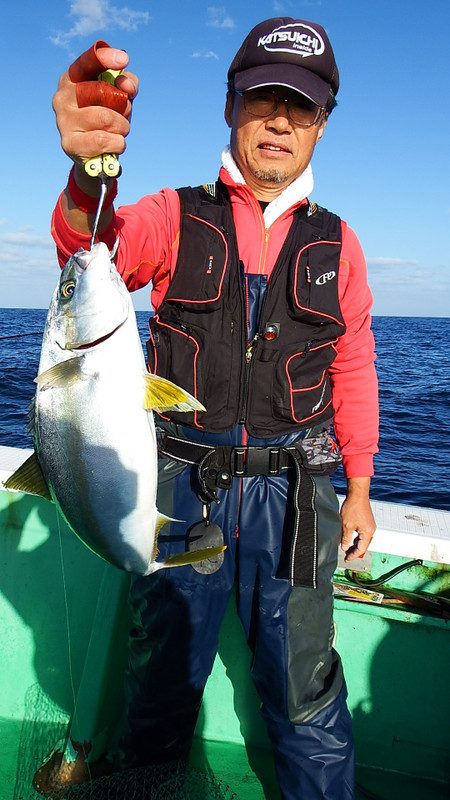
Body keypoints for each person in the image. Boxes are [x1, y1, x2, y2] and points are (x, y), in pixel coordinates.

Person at [51, 16, 378, 800]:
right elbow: (88, 253)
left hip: (296, 496)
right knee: (160, 681)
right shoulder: (173, 213)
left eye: (300, 107)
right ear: (231, 105)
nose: (278, 120)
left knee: (304, 692)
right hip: (179, 485)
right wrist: (90, 173)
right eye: (262, 98)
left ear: (322, 127)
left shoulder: (342, 244)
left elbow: (355, 363)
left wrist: (359, 485)